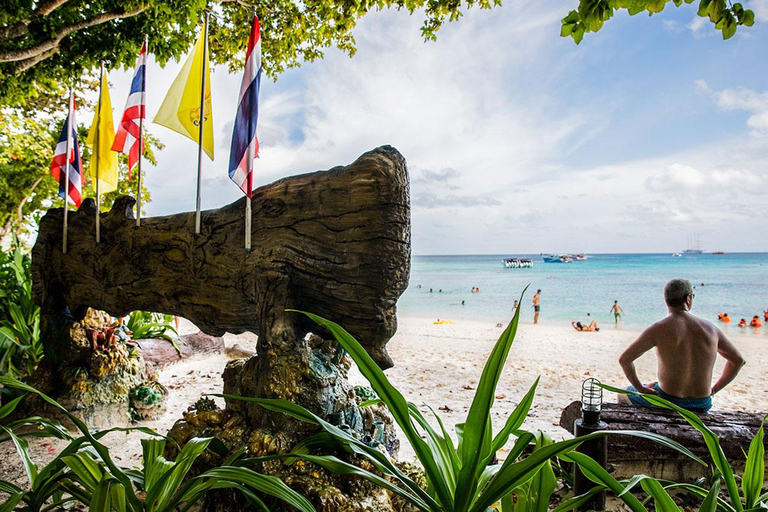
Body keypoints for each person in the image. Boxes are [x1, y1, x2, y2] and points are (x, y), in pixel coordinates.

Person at [618, 279, 745, 413]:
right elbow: (738, 361)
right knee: (654, 385)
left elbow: (625, 360)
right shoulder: (711, 329)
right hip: (701, 403)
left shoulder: (658, 328)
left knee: (622, 393)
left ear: (666, 299)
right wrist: (714, 389)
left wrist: (640, 389)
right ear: (688, 298)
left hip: (668, 400)